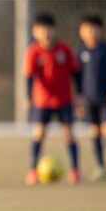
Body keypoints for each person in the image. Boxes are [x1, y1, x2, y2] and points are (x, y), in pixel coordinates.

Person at [24, 14, 81, 185]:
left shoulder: (64, 48)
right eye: (41, 29)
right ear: (35, 32)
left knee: (68, 134)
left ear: (54, 30)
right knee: (39, 133)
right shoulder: (33, 50)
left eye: (48, 28)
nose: (45, 33)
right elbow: (28, 76)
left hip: (64, 99)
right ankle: (33, 170)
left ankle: (75, 171)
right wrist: (28, 98)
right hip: (42, 101)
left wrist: (78, 96)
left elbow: (75, 73)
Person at [75, 15, 106, 181]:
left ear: (101, 30)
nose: (92, 32)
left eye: (95, 28)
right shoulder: (79, 51)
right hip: (88, 99)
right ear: (81, 32)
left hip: (105, 98)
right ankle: (100, 165)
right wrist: (78, 97)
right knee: (95, 132)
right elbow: (76, 77)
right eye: (88, 29)